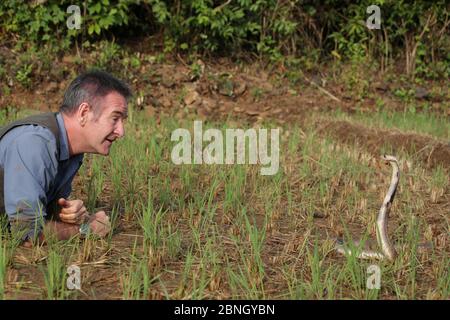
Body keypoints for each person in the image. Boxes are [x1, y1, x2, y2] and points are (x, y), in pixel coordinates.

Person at [0, 70, 132, 247]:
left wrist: (64, 212)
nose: (121, 132)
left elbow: (39, 209)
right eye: (115, 118)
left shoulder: (70, 150)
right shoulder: (34, 143)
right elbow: (27, 234)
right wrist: (85, 230)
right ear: (84, 112)